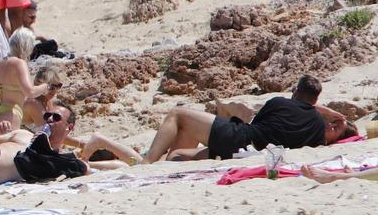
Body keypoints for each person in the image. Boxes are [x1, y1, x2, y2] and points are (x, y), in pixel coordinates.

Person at [140, 75, 347, 162]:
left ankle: (146, 163)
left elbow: (254, 126)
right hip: (250, 154)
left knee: (179, 114)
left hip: (240, 140)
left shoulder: (279, 103)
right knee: (178, 154)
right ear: (316, 99)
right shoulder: (318, 127)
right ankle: (165, 164)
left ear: (295, 92)